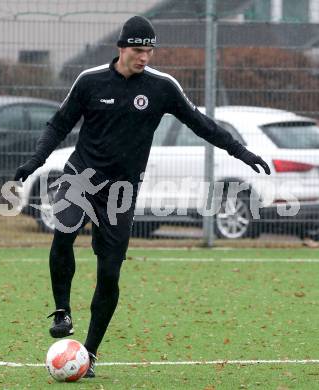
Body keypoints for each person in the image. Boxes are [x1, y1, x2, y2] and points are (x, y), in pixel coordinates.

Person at [14, 15, 271, 378]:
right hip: (80, 177)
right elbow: (59, 123)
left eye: (149, 51)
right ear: (121, 48)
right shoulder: (89, 81)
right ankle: (62, 312)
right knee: (63, 234)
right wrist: (36, 160)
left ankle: (89, 352)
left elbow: (201, 124)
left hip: (122, 191)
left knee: (110, 274)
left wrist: (242, 153)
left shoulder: (162, 87)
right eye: (137, 50)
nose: (144, 57)